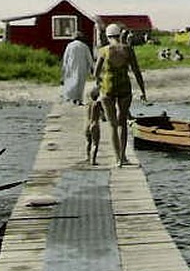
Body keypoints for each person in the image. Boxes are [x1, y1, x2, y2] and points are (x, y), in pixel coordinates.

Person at [94, 23, 147, 167]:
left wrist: (99, 83)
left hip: (107, 88)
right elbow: (136, 71)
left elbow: (95, 73)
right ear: (120, 34)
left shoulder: (103, 51)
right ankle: (123, 157)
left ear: (108, 36)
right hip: (124, 88)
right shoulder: (128, 49)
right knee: (122, 123)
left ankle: (117, 159)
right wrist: (143, 91)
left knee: (112, 125)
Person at [61, 31, 94, 104]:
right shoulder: (84, 46)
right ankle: (79, 99)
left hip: (71, 67)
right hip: (82, 68)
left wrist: (64, 67)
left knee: (71, 81)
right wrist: (92, 67)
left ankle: (71, 98)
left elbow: (65, 57)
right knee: (80, 84)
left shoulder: (69, 45)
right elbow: (89, 58)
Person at [85, 86, 103, 165]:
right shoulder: (98, 103)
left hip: (87, 124)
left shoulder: (88, 103)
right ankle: (93, 160)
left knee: (88, 141)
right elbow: (103, 114)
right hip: (95, 124)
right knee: (95, 143)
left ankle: (88, 157)